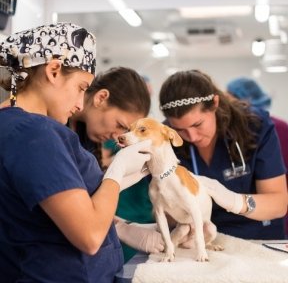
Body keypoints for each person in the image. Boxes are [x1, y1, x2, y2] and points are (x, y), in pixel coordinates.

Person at [0, 23, 152, 282]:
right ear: (54, 70)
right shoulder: (35, 133)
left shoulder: (13, 125)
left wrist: (123, 227)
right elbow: (90, 236)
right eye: (81, 87)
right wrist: (116, 173)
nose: (81, 104)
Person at [159, 69, 288, 240]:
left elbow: (278, 203)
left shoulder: (254, 126)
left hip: (259, 237)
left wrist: (235, 202)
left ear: (214, 103)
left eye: (198, 124)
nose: (192, 137)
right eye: (180, 129)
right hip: (203, 239)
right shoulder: (166, 140)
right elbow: (166, 211)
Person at [68, 66, 164, 262]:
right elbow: (68, 206)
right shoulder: (55, 130)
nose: (116, 137)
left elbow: (89, 198)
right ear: (101, 98)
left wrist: (124, 225)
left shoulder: (88, 134)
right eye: (120, 125)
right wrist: (120, 228)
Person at [226, 77, 288, 237]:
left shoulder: (262, 128)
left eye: (228, 97)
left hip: (272, 206)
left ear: (243, 98)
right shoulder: (280, 125)